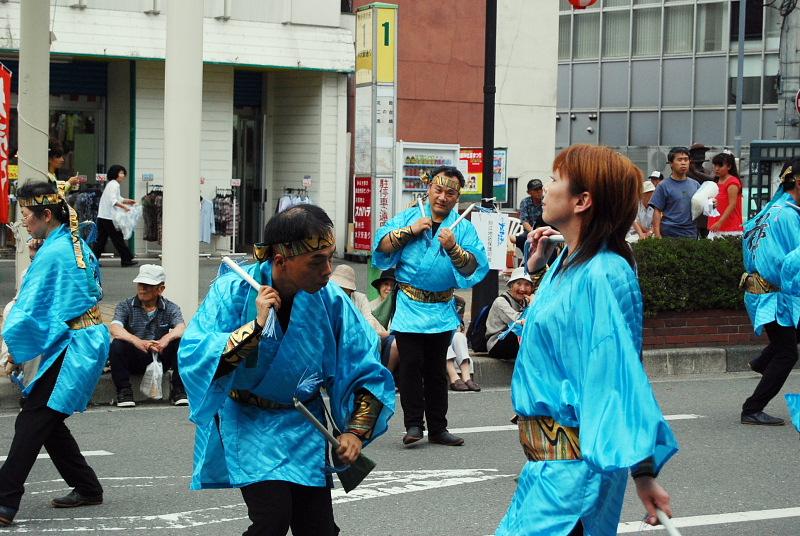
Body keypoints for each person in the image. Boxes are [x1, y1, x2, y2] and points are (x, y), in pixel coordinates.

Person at [178, 204, 395, 536]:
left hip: (303, 423)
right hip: (249, 420)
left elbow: (364, 366)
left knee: (318, 528)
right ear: (281, 261)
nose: (328, 270)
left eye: (330, 257)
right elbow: (195, 353)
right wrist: (255, 327)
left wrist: (354, 431)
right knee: (272, 520)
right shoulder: (232, 292)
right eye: (317, 261)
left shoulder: (332, 301)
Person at [497, 145, 678, 535]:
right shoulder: (569, 261)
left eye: (556, 178)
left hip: (575, 475)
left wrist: (643, 472)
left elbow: (620, 376)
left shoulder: (604, 272)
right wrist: (538, 265)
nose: (546, 187)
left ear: (582, 200)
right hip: (549, 471)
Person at [0, 181, 109, 526]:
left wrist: (14, 348)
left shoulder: (56, 252)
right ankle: (87, 486)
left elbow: (33, 307)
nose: (25, 224)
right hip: (81, 338)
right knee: (46, 416)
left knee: (34, 417)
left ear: (46, 214)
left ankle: (4, 501)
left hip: (72, 343)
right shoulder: (70, 242)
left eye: (27, 216)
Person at [373, 165, 488, 448]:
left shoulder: (462, 227)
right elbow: (382, 246)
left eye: (451, 192)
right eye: (438, 190)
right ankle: (414, 425)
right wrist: (411, 231)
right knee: (411, 366)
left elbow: (475, 264)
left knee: (437, 370)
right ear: (428, 189)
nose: (443, 197)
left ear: (457, 196)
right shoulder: (410, 216)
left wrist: (453, 248)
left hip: (440, 308)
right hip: (411, 305)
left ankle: (438, 427)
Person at [739, 159, 800, 426]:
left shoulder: (769, 211)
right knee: (788, 353)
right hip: (773, 295)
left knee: (786, 343)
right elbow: (792, 261)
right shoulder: (787, 215)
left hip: (761, 292)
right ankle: (752, 408)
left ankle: (762, 362)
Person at [109, 264, 187, 407]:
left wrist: (165, 339)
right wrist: (137, 341)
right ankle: (124, 392)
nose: (142, 289)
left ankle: (179, 390)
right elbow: (115, 328)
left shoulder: (171, 307)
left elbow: (181, 327)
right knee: (117, 344)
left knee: (181, 342)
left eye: (148, 285)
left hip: (160, 356)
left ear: (160, 289)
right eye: (140, 284)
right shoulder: (125, 306)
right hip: (136, 357)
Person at [649, 146, 700, 239]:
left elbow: (702, 206)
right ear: (671, 163)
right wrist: (657, 235)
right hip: (669, 234)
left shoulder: (695, 185)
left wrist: (712, 203)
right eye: (679, 160)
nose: (683, 163)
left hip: (690, 233)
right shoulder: (663, 185)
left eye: (686, 159)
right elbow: (657, 211)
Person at [92, 164, 137, 267]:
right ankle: (126, 259)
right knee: (117, 238)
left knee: (101, 240)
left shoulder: (111, 184)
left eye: (123, 173)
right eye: (121, 173)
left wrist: (127, 201)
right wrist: (124, 207)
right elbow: (114, 200)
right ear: (115, 174)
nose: (123, 175)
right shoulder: (114, 184)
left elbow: (117, 198)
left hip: (103, 216)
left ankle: (92, 261)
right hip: (109, 217)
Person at [485, 267, 532, 360]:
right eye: (518, 284)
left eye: (527, 285)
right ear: (511, 285)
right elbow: (517, 322)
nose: (522, 289)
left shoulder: (526, 301)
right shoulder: (501, 302)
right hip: (497, 343)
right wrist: (532, 306)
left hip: (514, 341)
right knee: (521, 332)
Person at [446, 295, 480, 392]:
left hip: (450, 332)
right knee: (442, 337)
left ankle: (466, 377)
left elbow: (459, 326)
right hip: (429, 338)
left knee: (459, 336)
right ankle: (454, 377)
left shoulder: (458, 301)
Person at [707, 151, 743, 238]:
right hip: (714, 227)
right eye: (715, 165)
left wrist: (720, 222)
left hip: (730, 228)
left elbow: (732, 204)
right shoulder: (715, 182)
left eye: (720, 166)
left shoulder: (732, 182)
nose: (716, 168)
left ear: (729, 166)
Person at [515, 179, 545, 253]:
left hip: (545, 230)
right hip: (530, 231)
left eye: (540, 188)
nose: (538, 191)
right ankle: (527, 258)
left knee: (549, 241)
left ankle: (549, 263)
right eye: (535, 189)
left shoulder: (546, 200)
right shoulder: (525, 202)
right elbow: (524, 221)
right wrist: (534, 232)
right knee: (522, 239)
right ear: (529, 192)